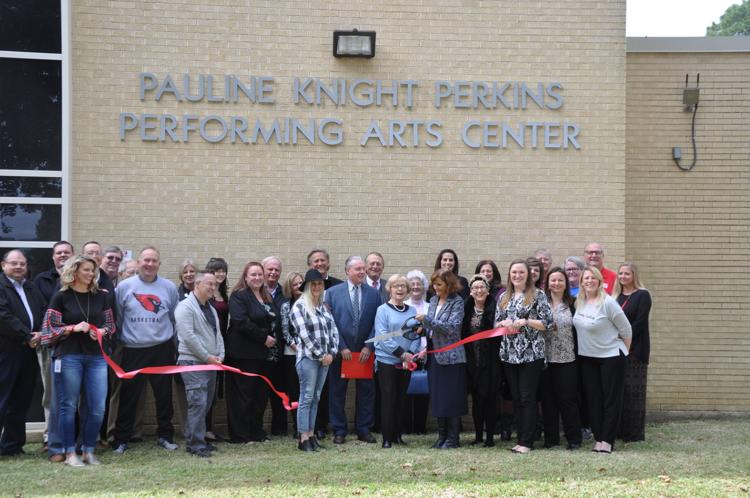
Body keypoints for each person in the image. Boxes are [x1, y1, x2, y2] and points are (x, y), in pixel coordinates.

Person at [41, 255, 115, 467]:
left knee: (98, 406)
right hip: (69, 356)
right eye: (86, 270)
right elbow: (48, 331)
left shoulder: (102, 296)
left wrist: (102, 331)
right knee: (68, 405)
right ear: (74, 271)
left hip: (96, 358)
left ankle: (88, 450)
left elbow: (111, 326)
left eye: (93, 270)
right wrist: (71, 328)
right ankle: (70, 452)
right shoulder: (61, 296)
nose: (91, 274)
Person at [111, 246, 180, 455]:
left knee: (164, 396)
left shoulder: (169, 287)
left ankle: (165, 436)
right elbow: (119, 318)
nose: (149, 264)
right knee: (129, 396)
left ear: (159, 264)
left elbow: (174, 319)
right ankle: (122, 439)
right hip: (133, 350)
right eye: (146, 260)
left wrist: (175, 348)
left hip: (162, 349)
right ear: (138, 262)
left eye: (154, 261)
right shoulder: (124, 287)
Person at [495, 259, 553, 454]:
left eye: (521, 272)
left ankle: (527, 442)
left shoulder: (538, 295)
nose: (517, 276)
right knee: (517, 398)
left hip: (531, 353)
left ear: (528, 275)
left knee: (528, 397)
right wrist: (503, 324)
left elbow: (548, 323)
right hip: (509, 354)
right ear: (509, 275)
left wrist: (526, 321)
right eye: (514, 273)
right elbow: (495, 324)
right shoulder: (504, 296)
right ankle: (520, 438)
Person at [573, 266, 632, 454]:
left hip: (611, 357)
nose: (589, 281)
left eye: (593, 278)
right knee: (593, 400)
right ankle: (599, 438)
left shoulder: (608, 302)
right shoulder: (579, 301)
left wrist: (624, 353)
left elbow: (626, 330)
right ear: (581, 281)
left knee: (610, 400)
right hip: (587, 357)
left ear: (599, 281)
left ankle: (607, 440)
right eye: (586, 278)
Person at [325, 256, 382, 444]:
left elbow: (378, 322)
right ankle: (339, 430)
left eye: (363, 269)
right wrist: (341, 347)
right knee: (337, 391)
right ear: (347, 271)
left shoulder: (374, 294)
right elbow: (330, 323)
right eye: (357, 269)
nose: (362, 272)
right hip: (342, 352)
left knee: (366, 392)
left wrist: (369, 345)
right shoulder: (332, 293)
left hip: (364, 352)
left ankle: (363, 429)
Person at [225, 261, 282, 443]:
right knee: (244, 396)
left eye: (260, 274)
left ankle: (256, 431)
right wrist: (264, 337)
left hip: (265, 356)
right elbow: (241, 322)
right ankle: (241, 434)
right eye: (253, 275)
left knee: (260, 395)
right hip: (244, 355)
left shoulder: (266, 297)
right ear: (246, 277)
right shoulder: (239, 296)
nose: (257, 278)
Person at [0, 250, 45, 457]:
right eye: (14, 263)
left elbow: (43, 311)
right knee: (3, 398)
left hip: (29, 351)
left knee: (22, 399)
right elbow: (4, 316)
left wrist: (42, 333)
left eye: (22, 264)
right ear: (3, 265)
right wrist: (27, 335)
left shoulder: (30, 286)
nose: (18, 267)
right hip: (7, 351)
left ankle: (13, 446)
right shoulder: (1, 286)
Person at [175, 271, 225, 458]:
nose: (212, 287)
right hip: (193, 362)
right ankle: (195, 444)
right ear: (197, 284)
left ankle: (198, 438)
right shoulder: (185, 307)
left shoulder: (210, 308)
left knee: (204, 404)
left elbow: (217, 334)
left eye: (214, 285)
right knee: (197, 402)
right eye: (208, 284)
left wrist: (220, 355)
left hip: (211, 363)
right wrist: (207, 357)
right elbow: (188, 337)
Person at [415, 269, 465, 449]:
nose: (435, 288)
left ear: (449, 285)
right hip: (434, 355)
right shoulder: (434, 300)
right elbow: (432, 327)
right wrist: (423, 328)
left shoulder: (457, 301)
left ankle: (453, 438)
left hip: (451, 357)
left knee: (451, 397)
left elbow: (452, 328)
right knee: (438, 397)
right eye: (434, 284)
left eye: (439, 284)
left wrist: (427, 320)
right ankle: (442, 436)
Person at [32, 240, 73, 461]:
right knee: (51, 394)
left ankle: (71, 438)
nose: (62, 256)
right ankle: (50, 437)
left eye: (67, 252)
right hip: (50, 345)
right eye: (59, 253)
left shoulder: (80, 280)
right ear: (53, 257)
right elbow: (38, 310)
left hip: (75, 346)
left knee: (74, 395)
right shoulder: (42, 280)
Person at [289, 269, 339, 452]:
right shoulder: (299, 307)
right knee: (307, 397)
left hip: (325, 360)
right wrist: (321, 355)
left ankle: (311, 435)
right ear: (307, 287)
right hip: (309, 359)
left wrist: (332, 353)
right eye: (314, 284)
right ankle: (302, 438)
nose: (317, 287)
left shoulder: (323, 307)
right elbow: (305, 336)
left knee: (316, 398)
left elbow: (334, 331)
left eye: (320, 284)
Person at [373, 274, 420, 448]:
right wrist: (402, 353)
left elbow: (415, 335)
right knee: (388, 399)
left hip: (407, 361)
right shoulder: (382, 310)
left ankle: (397, 436)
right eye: (396, 286)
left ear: (407, 291)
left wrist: (410, 354)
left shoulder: (412, 311)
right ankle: (386, 438)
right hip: (387, 361)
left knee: (401, 399)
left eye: (403, 286)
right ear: (390, 289)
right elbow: (383, 337)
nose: (399, 289)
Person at [540, 267, 582, 450]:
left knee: (568, 400)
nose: (556, 284)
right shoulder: (541, 303)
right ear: (547, 283)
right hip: (544, 359)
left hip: (567, 359)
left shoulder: (574, 303)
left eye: (560, 280)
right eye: (553, 280)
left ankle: (573, 438)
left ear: (566, 284)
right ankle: (551, 439)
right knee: (548, 401)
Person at [462, 274, 501, 447]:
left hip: (491, 361)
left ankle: (490, 438)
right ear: (471, 291)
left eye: (482, 287)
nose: (479, 290)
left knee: (489, 399)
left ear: (487, 289)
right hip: (472, 361)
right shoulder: (466, 309)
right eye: (475, 288)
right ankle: (478, 436)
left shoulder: (495, 308)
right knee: (477, 399)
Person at [614, 262, 652, 442]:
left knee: (634, 393)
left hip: (636, 351)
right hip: (617, 351)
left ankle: (634, 434)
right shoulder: (617, 297)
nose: (622, 277)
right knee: (621, 392)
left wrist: (623, 338)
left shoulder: (643, 295)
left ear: (634, 275)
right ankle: (620, 431)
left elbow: (639, 323)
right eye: (620, 274)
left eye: (626, 274)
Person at [204, 257, 229, 442]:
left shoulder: (224, 294)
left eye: (223, 270)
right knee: (203, 390)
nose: (220, 274)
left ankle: (208, 428)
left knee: (213, 391)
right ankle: (202, 429)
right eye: (216, 271)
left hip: (221, 346)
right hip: (206, 346)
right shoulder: (205, 294)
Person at [262, 256, 288, 436]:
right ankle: (256, 427)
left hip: (281, 350)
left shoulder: (284, 293)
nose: (273, 273)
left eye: (276, 270)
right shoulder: (255, 291)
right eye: (270, 269)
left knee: (280, 390)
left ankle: (279, 428)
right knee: (260, 391)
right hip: (260, 350)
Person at [402, 269, 429, 435]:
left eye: (419, 283)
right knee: (405, 391)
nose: (415, 287)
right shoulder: (404, 307)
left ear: (424, 287)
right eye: (412, 284)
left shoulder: (429, 307)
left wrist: (427, 349)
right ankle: (405, 427)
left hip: (425, 355)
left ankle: (420, 427)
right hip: (406, 355)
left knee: (422, 391)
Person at [280, 271, 304, 437]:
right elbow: (285, 331)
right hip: (292, 353)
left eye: (300, 284)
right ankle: (297, 426)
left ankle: (309, 425)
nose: (298, 287)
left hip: (310, 353)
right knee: (294, 391)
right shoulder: (285, 305)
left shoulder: (312, 303)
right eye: (294, 284)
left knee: (308, 391)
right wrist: (296, 346)